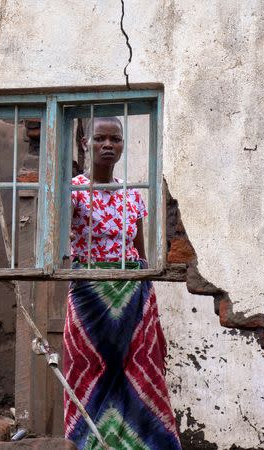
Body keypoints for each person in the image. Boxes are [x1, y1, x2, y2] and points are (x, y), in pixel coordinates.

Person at [63, 117, 181, 449]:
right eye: (100, 138)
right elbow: (57, 235)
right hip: (90, 296)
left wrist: (148, 300)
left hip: (132, 293)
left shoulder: (132, 194)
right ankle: (89, 444)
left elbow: (139, 251)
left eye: (115, 139)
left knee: (140, 371)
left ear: (123, 144)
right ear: (86, 143)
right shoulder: (74, 191)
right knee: (90, 372)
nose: (108, 145)